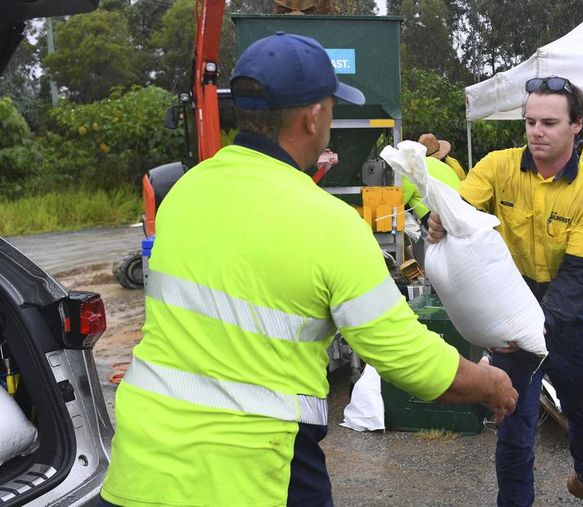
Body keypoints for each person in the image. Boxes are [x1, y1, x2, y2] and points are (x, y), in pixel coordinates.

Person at [97, 33, 518, 507]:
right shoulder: (328, 224)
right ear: (315, 115)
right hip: (256, 474)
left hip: (140, 467)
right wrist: (491, 384)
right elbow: (408, 359)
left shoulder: (185, 193)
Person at [428, 76, 583, 507]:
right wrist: (441, 218)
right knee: (515, 421)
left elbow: (580, 276)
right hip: (508, 305)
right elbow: (459, 210)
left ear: (577, 125)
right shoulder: (498, 166)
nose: (536, 131)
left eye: (549, 122)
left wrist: (534, 329)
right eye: (530, 121)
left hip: (566, 311)